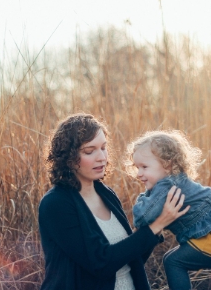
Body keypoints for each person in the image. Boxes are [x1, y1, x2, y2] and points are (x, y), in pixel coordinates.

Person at [38, 113, 189, 290]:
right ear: (68, 158)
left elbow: (131, 259)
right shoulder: (56, 204)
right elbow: (100, 264)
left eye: (103, 147)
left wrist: (156, 222)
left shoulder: (106, 194)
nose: (101, 157)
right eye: (89, 151)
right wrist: (156, 225)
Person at [126, 130, 211, 290]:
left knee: (173, 261)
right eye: (137, 167)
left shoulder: (166, 186)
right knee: (170, 257)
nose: (139, 174)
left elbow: (142, 217)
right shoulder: (174, 181)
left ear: (167, 165)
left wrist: (142, 198)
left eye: (144, 167)